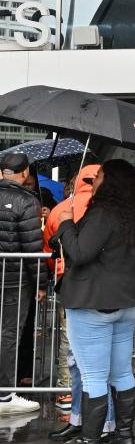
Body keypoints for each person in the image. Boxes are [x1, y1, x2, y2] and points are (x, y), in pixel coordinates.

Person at [51, 160, 135, 444]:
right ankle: (124, 438)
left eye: (99, 177)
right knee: (122, 372)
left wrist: (67, 224)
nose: (93, 181)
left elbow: (80, 253)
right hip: (127, 302)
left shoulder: (102, 214)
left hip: (92, 302)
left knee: (94, 375)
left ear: (111, 183)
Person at [43, 164, 117, 439]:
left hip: (74, 291)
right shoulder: (116, 211)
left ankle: (82, 421)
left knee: (76, 360)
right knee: (102, 364)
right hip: (106, 293)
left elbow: (50, 246)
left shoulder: (64, 208)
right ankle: (103, 426)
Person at [0, 152, 43, 415]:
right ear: (25, 173)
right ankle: (4, 394)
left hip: (10, 278)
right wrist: (40, 282)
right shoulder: (26, 201)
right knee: (8, 335)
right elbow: (32, 247)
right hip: (15, 281)